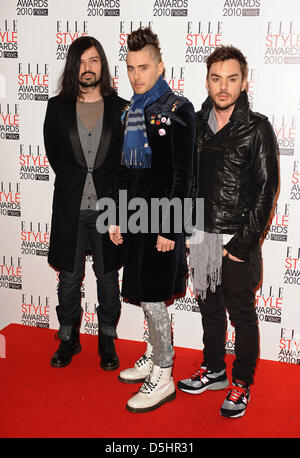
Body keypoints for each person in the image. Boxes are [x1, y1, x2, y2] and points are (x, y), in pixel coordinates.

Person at [177, 45, 279, 418]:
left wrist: (242, 245)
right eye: (216, 78)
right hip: (202, 237)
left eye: (231, 79)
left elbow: (268, 190)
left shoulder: (257, 128)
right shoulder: (195, 125)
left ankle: (242, 382)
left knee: (242, 315)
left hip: (236, 241)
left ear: (244, 82)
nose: (223, 87)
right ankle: (215, 368)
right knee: (209, 311)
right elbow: (187, 180)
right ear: (207, 81)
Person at [109, 27, 195, 413]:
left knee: (156, 299)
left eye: (143, 67)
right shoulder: (130, 110)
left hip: (162, 222)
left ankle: (164, 373)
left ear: (160, 66)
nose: (136, 75)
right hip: (136, 222)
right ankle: (152, 354)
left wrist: (170, 229)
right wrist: (116, 217)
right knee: (145, 295)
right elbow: (124, 172)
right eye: (130, 68)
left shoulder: (179, 108)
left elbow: (183, 174)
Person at [43, 36, 127, 371]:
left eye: (93, 61)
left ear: (102, 66)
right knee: (68, 277)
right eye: (81, 61)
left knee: (107, 279)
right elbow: (55, 156)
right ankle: (69, 338)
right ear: (72, 66)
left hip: (108, 211)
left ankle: (106, 338)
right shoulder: (57, 107)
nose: (87, 68)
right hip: (70, 209)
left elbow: (124, 164)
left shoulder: (122, 109)